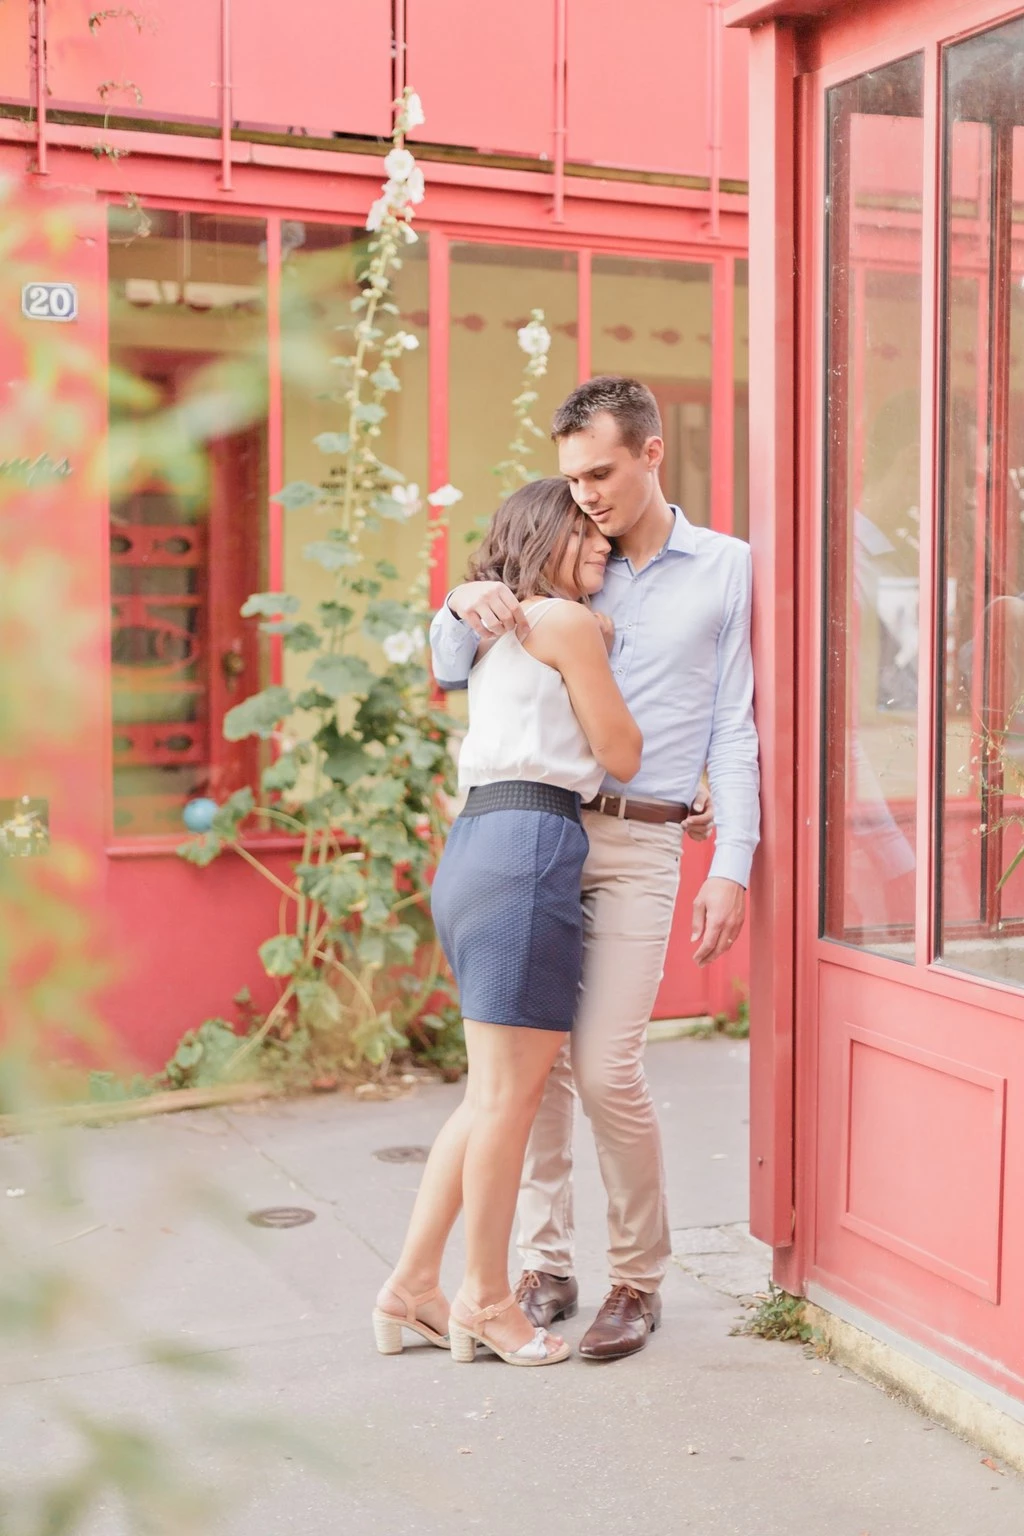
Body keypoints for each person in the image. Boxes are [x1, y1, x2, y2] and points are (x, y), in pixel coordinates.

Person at [431, 376, 760, 1361]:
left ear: (652, 452)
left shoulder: (728, 569)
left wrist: (730, 860)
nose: (587, 497)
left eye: (602, 473)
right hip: (550, 830)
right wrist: (459, 597)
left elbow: (735, 729)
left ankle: (635, 1277)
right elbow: (453, 660)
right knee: (539, 1074)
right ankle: (542, 1265)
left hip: (648, 838)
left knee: (607, 1066)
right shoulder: (575, 557)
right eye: (573, 478)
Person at [373, 477, 642, 1367]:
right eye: (586, 531)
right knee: (509, 1100)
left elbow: (450, 657)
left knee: (486, 1095)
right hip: (531, 845)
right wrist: (599, 648)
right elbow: (623, 754)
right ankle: (486, 1299)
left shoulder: (494, 634)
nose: (603, 542)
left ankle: (412, 1288)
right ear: (543, 538)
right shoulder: (559, 622)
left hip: (478, 842)